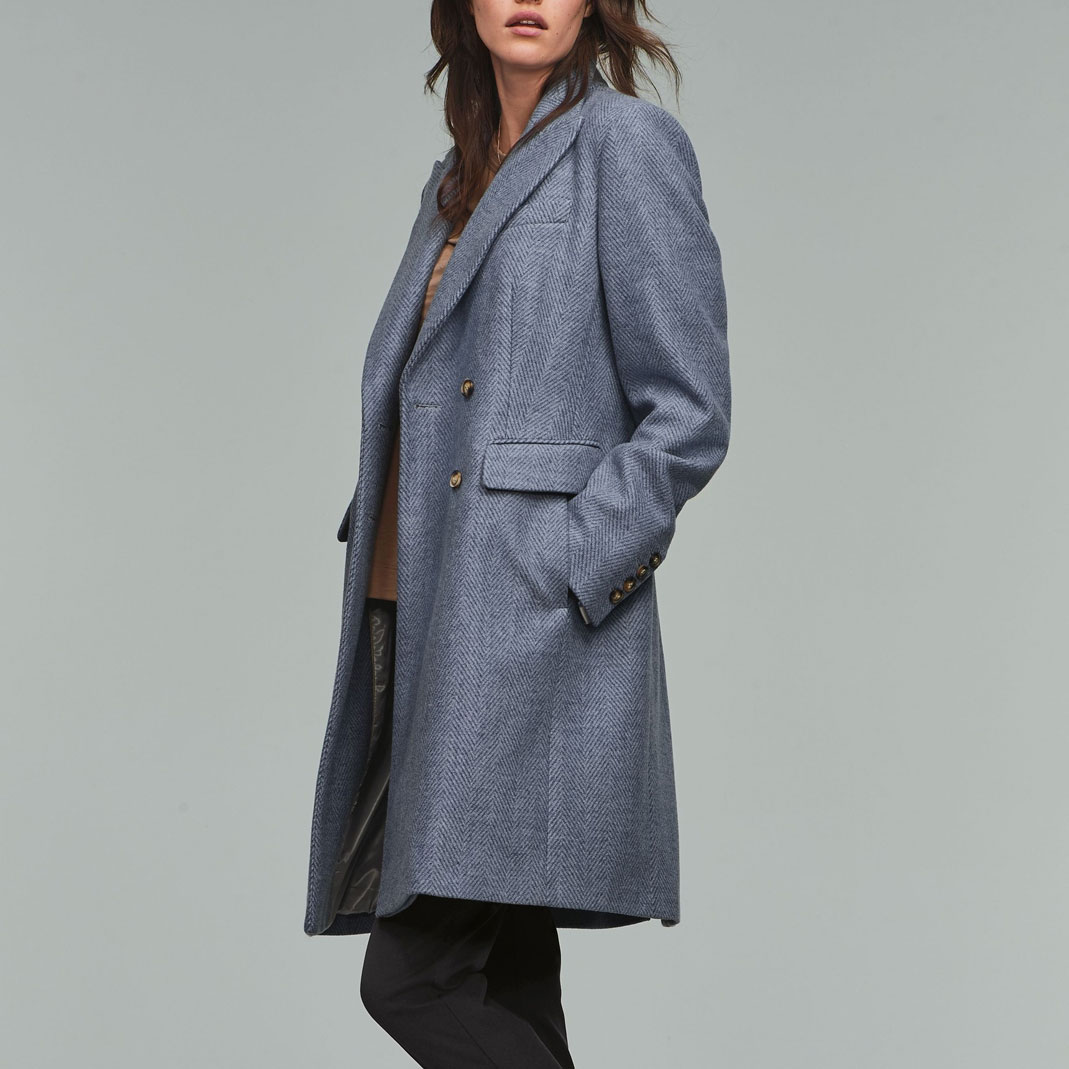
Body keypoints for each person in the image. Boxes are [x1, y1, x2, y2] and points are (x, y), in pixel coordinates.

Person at [304, 2, 732, 1065]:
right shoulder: (456, 177)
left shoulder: (626, 145)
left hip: (527, 625)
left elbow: (688, 411)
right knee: (508, 979)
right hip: (423, 611)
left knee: (414, 977)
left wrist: (573, 563)